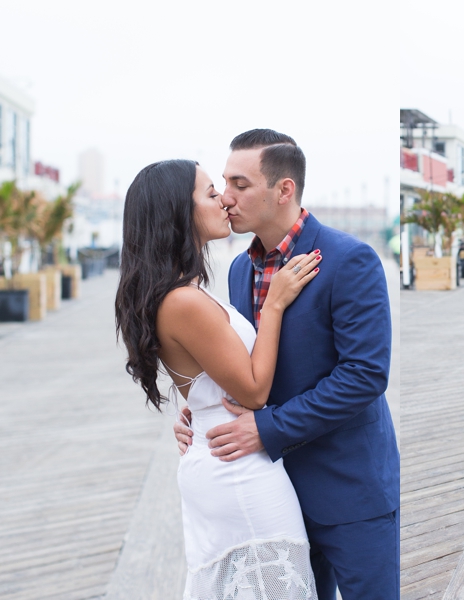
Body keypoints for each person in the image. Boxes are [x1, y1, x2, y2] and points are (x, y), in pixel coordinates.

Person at [173, 129, 400, 599]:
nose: (227, 197)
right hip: (270, 494)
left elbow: (365, 376)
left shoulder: (349, 260)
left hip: (347, 489)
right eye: (222, 184)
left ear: (284, 190)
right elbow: (247, 365)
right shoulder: (239, 269)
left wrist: (268, 427)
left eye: (240, 184)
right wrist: (202, 408)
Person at [115, 159, 321, 598]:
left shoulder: (182, 292)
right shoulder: (183, 301)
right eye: (211, 193)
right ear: (178, 213)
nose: (224, 201)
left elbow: (210, 376)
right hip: (238, 473)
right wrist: (275, 305)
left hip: (223, 455)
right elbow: (253, 389)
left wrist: (200, 410)